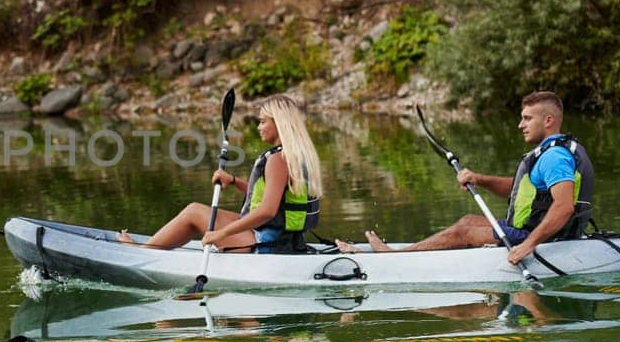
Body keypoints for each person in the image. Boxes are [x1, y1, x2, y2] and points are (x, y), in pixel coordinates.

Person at [336, 90, 595, 265]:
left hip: (541, 237)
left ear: (548, 120)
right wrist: (478, 179)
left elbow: (563, 206)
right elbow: (519, 189)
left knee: (464, 231)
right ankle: (405, 253)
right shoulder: (548, 153)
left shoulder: (554, 157)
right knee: (469, 219)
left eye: (527, 118)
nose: (521, 124)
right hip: (527, 230)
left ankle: (395, 259)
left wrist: (528, 245)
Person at [117, 93, 324, 254]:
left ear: (279, 123)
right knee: (199, 214)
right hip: (282, 240)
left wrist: (221, 233)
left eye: (263, 121)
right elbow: (275, 199)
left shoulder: (278, 159)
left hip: (266, 243)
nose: (259, 127)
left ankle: (144, 254)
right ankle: (154, 249)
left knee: (194, 211)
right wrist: (234, 181)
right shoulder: (295, 155)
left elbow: (268, 211)